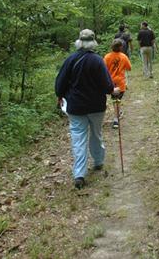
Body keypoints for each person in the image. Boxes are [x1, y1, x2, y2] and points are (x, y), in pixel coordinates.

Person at [55, 29, 120, 189]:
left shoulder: (70, 60)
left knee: (78, 138)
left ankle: (79, 174)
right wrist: (114, 90)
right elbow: (107, 85)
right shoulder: (97, 60)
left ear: (79, 41)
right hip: (96, 106)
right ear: (93, 42)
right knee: (96, 134)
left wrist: (60, 95)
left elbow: (60, 83)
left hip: (76, 106)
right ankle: (98, 162)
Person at [104, 39, 132, 128]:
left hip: (110, 82)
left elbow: (103, 69)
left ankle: (117, 113)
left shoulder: (107, 57)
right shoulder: (124, 56)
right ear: (121, 47)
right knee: (117, 101)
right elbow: (129, 68)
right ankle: (116, 120)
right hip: (120, 83)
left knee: (115, 100)